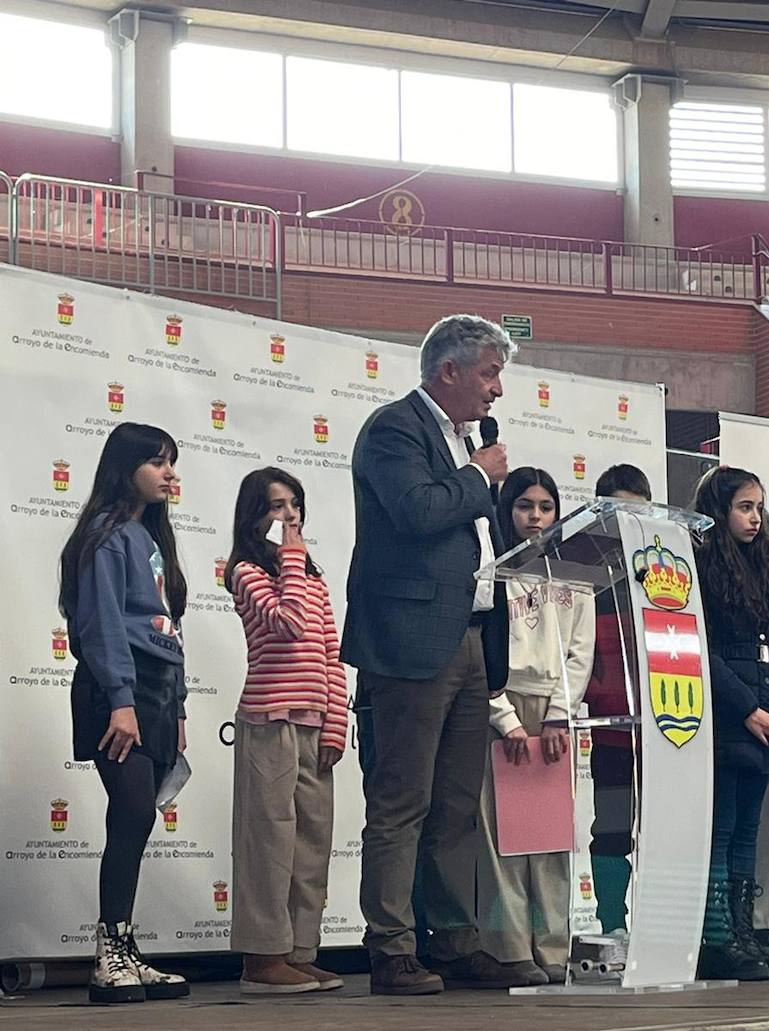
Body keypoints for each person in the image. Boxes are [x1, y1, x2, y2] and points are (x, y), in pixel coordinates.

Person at [342, 313, 514, 995]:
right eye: (489, 373)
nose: (496, 390)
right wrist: (477, 474)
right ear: (448, 370)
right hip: (412, 642)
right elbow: (415, 510)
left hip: (471, 639)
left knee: (456, 807)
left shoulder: (459, 437)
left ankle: (455, 940)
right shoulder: (394, 429)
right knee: (401, 802)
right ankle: (391, 948)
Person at [59, 423, 191, 1004]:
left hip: (159, 692)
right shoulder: (107, 535)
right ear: (125, 466)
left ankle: (125, 950)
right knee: (132, 811)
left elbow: (169, 629)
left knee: (141, 817)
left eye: (173, 463)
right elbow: (102, 623)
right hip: (121, 690)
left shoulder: (151, 537)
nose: (169, 473)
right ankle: (109, 952)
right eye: (158, 462)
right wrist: (121, 700)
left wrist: (178, 707)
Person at [225, 467, 348, 994]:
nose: (290, 515)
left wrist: (335, 725)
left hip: (314, 724)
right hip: (269, 721)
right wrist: (291, 559)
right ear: (255, 516)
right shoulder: (246, 572)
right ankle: (262, 957)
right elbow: (288, 623)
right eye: (277, 506)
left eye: (295, 504)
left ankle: (299, 951)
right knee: (269, 839)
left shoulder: (311, 577)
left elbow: (329, 653)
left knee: (310, 845)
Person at [475, 468, 594, 985]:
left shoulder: (571, 572)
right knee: (503, 838)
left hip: (554, 711)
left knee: (549, 840)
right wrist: (505, 721)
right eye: (525, 506)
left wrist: (557, 715)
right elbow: (481, 652)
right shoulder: (491, 569)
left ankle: (552, 948)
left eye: (546, 507)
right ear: (508, 510)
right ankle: (509, 948)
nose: (536, 517)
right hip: (502, 707)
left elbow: (579, 650)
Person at [692, 466, 769, 981]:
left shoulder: (768, 569)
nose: (755, 517)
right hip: (724, 724)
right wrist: (746, 709)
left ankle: (741, 930)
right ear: (718, 510)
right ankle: (716, 938)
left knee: (747, 833)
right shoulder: (696, 564)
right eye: (744, 506)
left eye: (759, 507)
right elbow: (703, 650)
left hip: (767, 724)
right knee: (720, 830)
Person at [585, 464, 652, 954]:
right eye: (617, 510)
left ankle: (662, 922)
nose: (628, 520)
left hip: (667, 730)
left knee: (665, 828)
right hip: (610, 728)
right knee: (610, 829)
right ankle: (612, 921)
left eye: (637, 510)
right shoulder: (581, 570)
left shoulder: (668, 570)